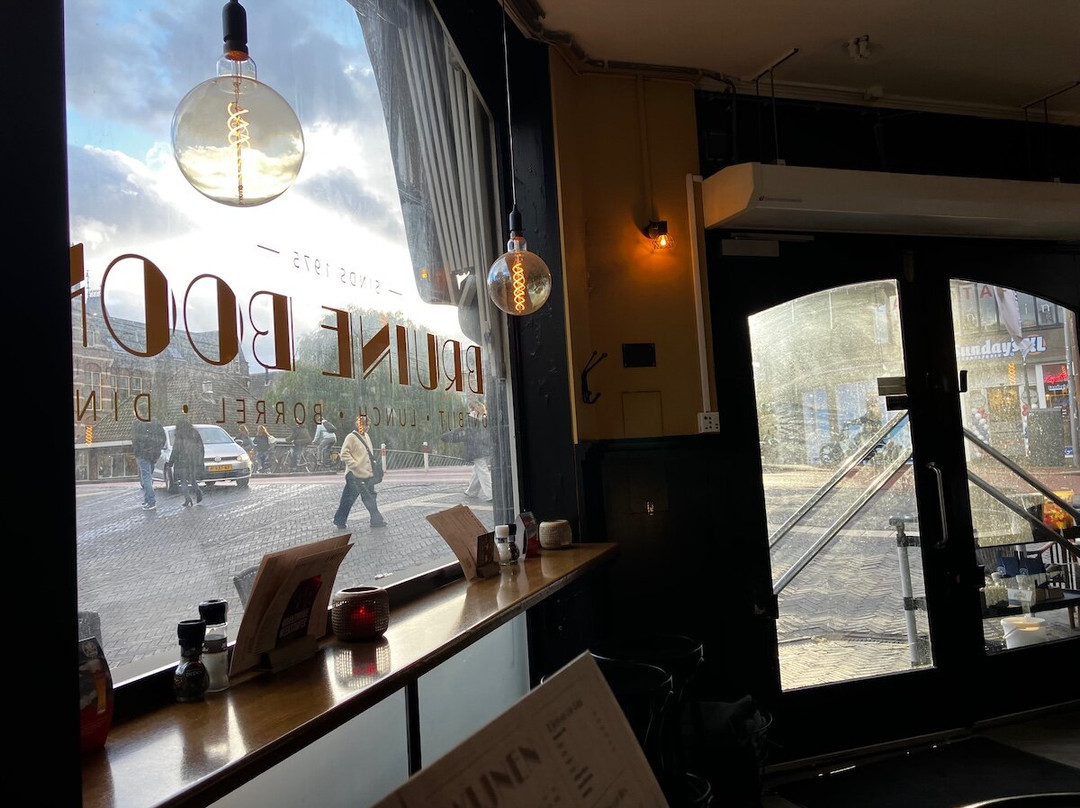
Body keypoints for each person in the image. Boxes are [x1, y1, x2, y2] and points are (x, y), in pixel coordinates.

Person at [333, 414, 387, 530]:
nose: (367, 427)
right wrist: (355, 465)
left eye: (368, 425)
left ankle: (376, 520)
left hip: (366, 474)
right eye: (364, 425)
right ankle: (340, 520)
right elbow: (344, 454)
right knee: (349, 500)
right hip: (354, 475)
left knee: (369, 497)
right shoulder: (351, 437)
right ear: (358, 425)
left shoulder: (366, 436)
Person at [441, 400, 492, 502]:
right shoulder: (485, 419)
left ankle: (490, 494)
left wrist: (445, 436)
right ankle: (471, 492)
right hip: (486, 448)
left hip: (476, 450)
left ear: (471, 408)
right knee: (478, 471)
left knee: (482, 471)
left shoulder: (470, 419)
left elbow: (461, 432)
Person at [131, 417, 166, 510]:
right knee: (148, 477)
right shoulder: (156, 423)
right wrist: (157, 449)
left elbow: (135, 440)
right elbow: (163, 438)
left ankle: (151, 501)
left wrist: (138, 451)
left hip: (143, 454)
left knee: (146, 478)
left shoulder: (137, 424)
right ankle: (147, 499)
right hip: (153, 454)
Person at [171, 419, 205, 506]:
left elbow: (175, 449)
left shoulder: (179, 435)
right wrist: (200, 459)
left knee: (183, 481)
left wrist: (171, 461)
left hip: (181, 461)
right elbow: (200, 447)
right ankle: (198, 491)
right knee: (192, 479)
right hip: (192, 461)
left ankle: (187, 498)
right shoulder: (194, 434)